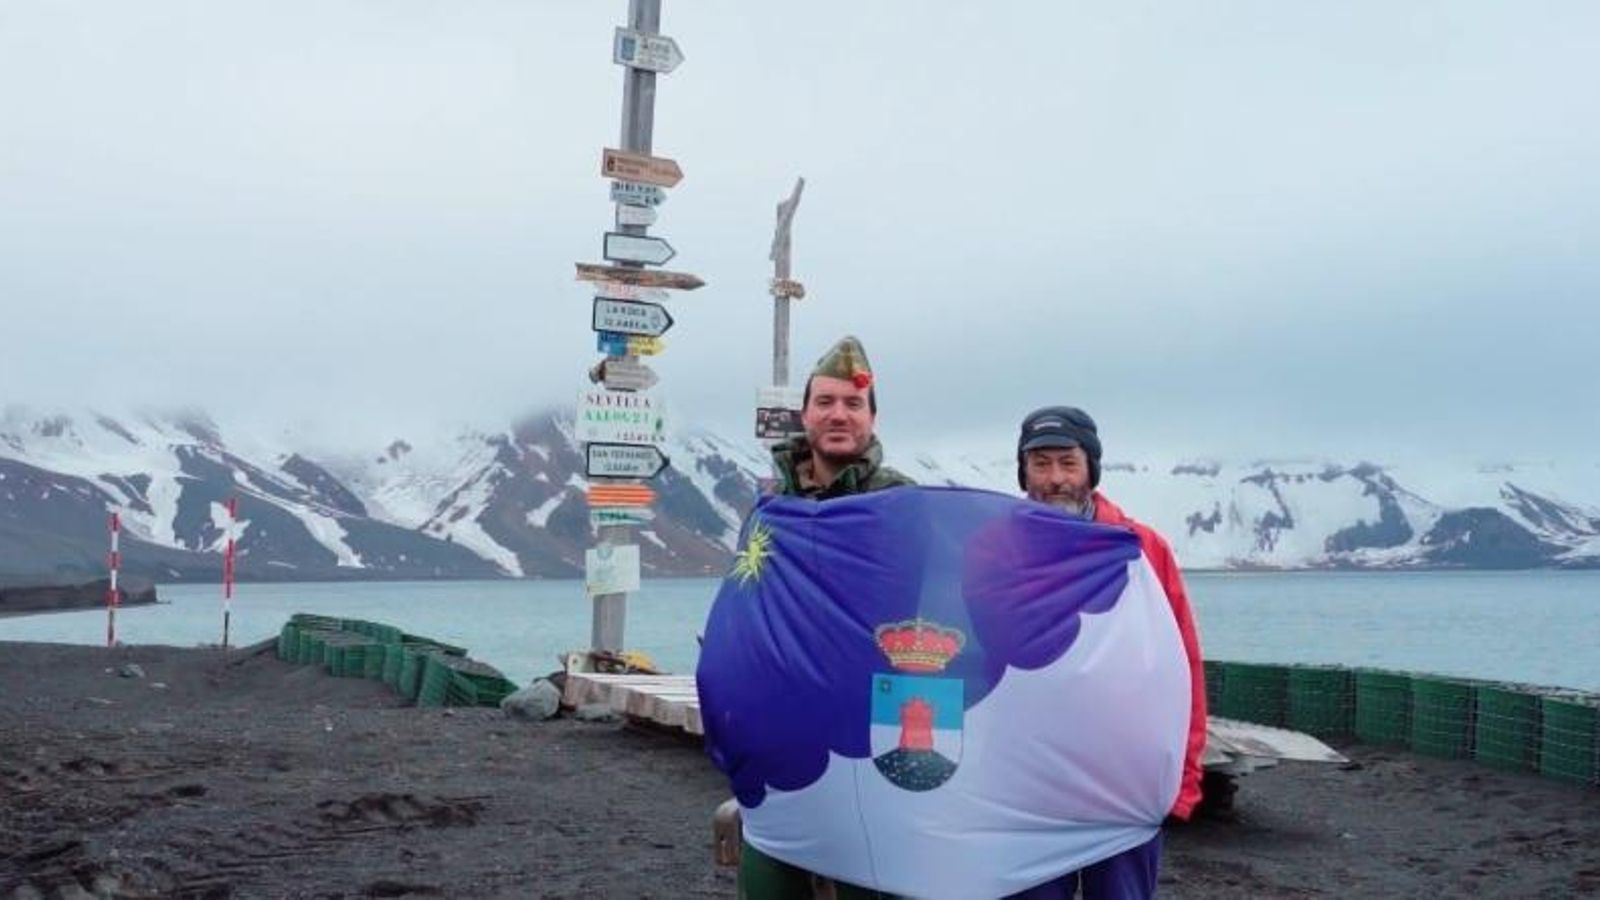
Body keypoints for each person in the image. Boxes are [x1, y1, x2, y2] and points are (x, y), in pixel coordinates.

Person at [729, 334, 913, 899]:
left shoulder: (903, 505)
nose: (839, 414)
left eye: (853, 404)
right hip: (785, 731)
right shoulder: (770, 509)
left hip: (873, 729)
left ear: (872, 418)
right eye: (826, 402)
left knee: (874, 885)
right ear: (805, 414)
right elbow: (747, 612)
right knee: (769, 880)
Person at [1007, 405, 1208, 899]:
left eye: (1068, 462)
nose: (1055, 479)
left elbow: (1183, 671)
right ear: (1023, 472)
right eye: (1040, 463)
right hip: (1030, 787)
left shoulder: (1142, 550)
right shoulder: (997, 551)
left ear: (1091, 468)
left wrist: (1183, 781)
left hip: (1124, 785)